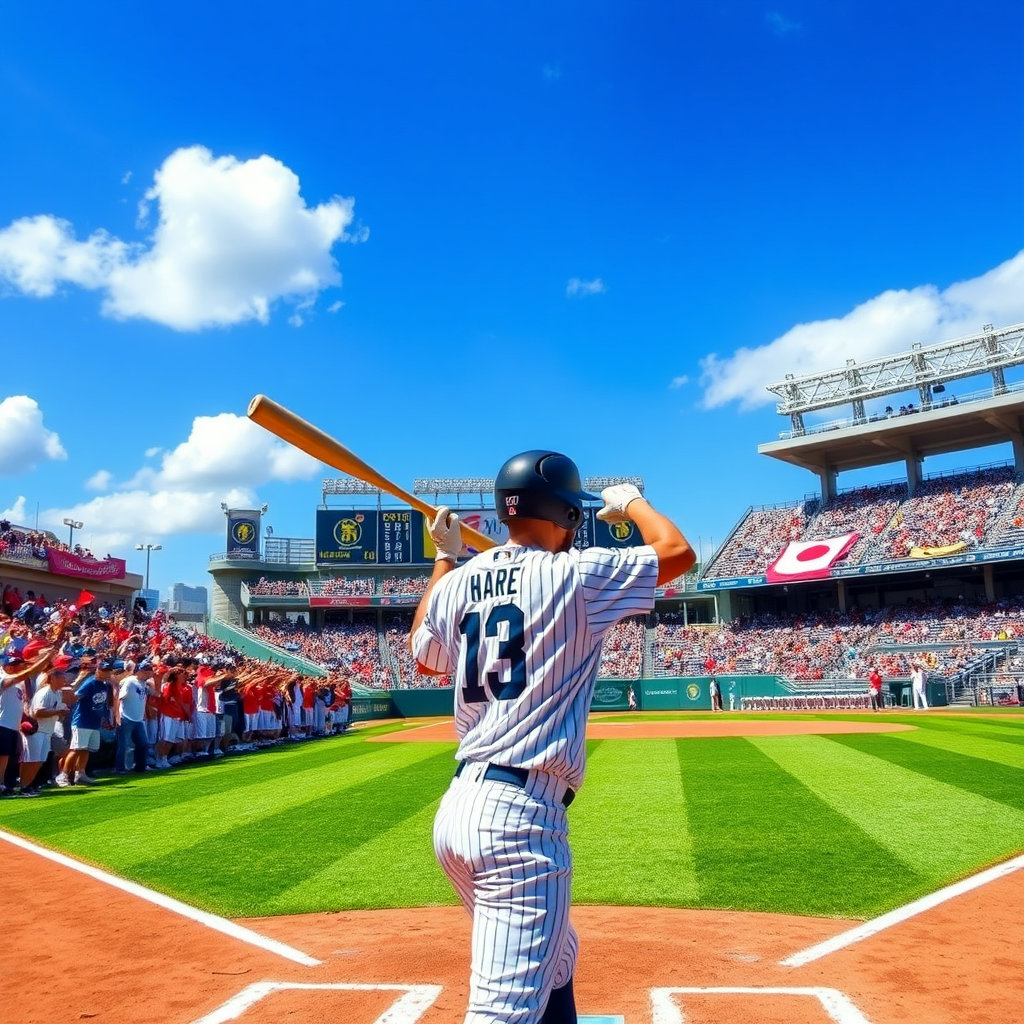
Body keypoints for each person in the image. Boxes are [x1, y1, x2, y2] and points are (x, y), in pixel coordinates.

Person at [411, 450, 694, 1024]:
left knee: (557, 958)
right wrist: (632, 503)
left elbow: (424, 655)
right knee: (503, 1012)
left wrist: (444, 559)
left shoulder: (458, 582)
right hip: (519, 821)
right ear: (567, 514)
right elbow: (677, 553)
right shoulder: (575, 574)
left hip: (459, 810)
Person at [115, 660, 154, 774]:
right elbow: (119, 698)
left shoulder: (143, 684)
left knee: (143, 744)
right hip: (126, 717)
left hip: (138, 719)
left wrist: (144, 713)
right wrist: (117, 715)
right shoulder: (130, 681)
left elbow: (149, 697)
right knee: (124, 745)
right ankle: (120, 768)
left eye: (149, 670)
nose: (149, 673)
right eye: (146, 670)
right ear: (140, 671)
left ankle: (140, 767)